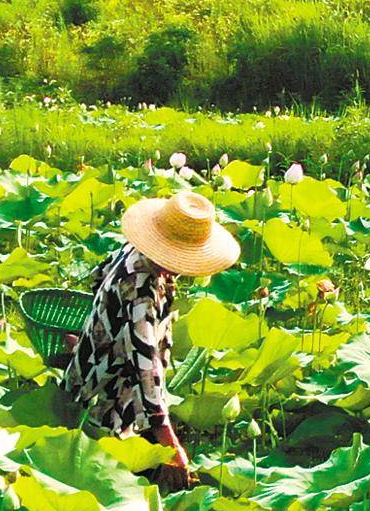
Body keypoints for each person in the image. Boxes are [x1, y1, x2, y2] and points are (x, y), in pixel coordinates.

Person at [62, 189, 239, 490]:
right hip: (105, 400)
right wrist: (171, 445)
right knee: (115, 483)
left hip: (91, 370)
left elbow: (97, 278)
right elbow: (146, 367)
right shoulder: (142, 292)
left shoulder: (131, 249)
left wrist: (94, 334)